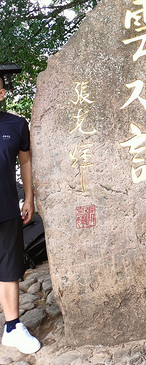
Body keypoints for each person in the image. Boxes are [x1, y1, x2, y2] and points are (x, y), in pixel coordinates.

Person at [0, 75, 41, 354]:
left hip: (5, 210)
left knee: (8, 270)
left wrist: (29, 197)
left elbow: (25, 160)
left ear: (1, 93)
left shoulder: (15, 125)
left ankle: (12, 327)